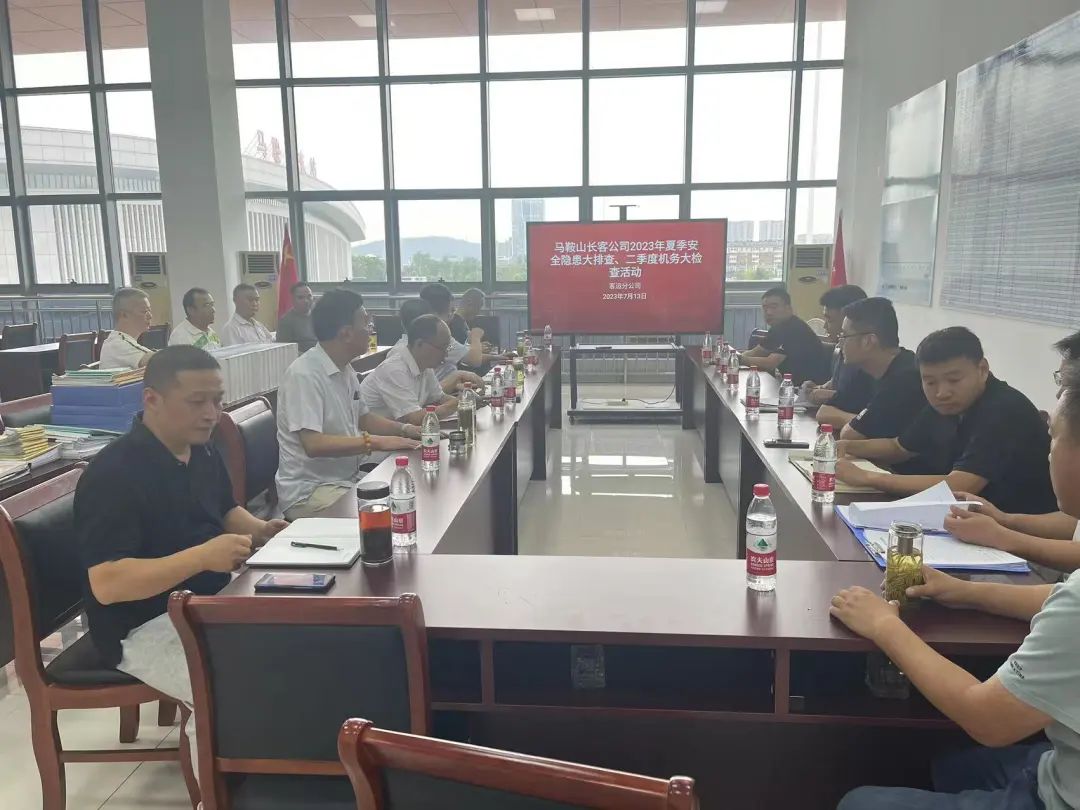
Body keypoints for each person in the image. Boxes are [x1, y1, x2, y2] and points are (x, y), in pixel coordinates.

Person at [831, 358, 1080, 810]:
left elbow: (988, 719)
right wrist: (964, 591)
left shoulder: (1004, 410)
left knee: (859, 802)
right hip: (1059, 762)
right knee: (944, 764)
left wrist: (885, 626)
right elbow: (1063, 595)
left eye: (1055, 436)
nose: (1049, 451)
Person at [76, 347, 288, 764]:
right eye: (196, 402)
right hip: (141, 625)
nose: (212, 414)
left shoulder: (200, 448)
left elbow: (224, 510)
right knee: (231, 686)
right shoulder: (113, 474)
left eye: (218, 400)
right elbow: (108, 584)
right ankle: (220, 788)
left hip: (210, 598)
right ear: (151, 399)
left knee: (301, 642)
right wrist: (201, 557)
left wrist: (261, 530)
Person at [835, 327, 1056, 515]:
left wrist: (869, 478)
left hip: (1019, 527)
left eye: (954, 380)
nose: (942, 392)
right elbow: (899, 447)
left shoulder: (1004, 409)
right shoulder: (948, 404)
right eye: (930, 382)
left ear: (982, 369)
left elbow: (959, 484)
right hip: (971, 518)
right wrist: (845, 446)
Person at [275, 289, 422, 520]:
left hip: (344, 480)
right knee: (387, 518)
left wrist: (405, 430)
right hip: (310, 491)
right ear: (346, 333)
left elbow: (364, 418)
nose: (370, 328)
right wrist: (377, 442)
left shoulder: (345, 368)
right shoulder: (304, 374)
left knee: (408, 496)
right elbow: (313, 444)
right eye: (365, 322)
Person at [941, 330, 1080, 572]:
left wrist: (1002, 535)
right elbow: (1074, 524)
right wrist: (1004, 520)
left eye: (1067, 384)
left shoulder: (1005, 409)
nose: (1059, 395)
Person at [815, 297, 926, 439]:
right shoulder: (866, 369)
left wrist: (861, 423)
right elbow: (823, 413)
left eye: (844, 336)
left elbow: (851, 434)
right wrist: (862, 421)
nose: (840, 343)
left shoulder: (905, 377)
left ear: (868, 341)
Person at [360, 313, 459, 425]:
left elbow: (439, 398)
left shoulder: (425, 366)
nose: (446, 354)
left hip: (400, 431)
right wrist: (457, 404)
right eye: (442, 348)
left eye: (448, 348)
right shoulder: (395, 370)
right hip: (373, 433)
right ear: (419, 344)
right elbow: (414, 418)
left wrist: (463, 400)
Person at [803, 285, 874, 426]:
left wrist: (830, 395)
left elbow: (864, 403)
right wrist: (819, 388)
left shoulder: (870, 359)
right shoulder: (842, 349)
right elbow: (837, 383)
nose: (825, 327)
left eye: (829, 320)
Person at [738, 286, 832, 385]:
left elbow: (770, 363)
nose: (768, 312)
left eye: (774, 307)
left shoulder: (795, 328)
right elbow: (756, 352)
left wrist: (739, 359)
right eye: (765, 308)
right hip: (789, 386)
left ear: (788, 308)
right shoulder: (778, 327)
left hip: (809, 388)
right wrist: (734, 357)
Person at [397, 298, 483, 394]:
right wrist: (475, 336)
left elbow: (433, 392)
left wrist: (456, 385)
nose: (446, 354)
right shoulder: (432, 342)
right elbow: (475, 360)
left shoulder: (412, 349)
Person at [419, 283, 485, 376]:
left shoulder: (418, 333)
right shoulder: (441, 336)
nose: (453, 315)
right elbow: (475, 360)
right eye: (452, 310)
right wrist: (475, 337)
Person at [99, 287, 155, 370]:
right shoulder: (118, 343)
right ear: (124, 315)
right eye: (144, 311)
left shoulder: (122, 340)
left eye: (149, 311)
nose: (150, 316)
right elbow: (156, 360)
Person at [276, 282, 317, 354]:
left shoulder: (319, 316)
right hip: (302, 358)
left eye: (309, 296)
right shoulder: (286, 321)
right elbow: (283, 350)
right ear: (292, 299)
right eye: (300, 297)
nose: (306, 301)